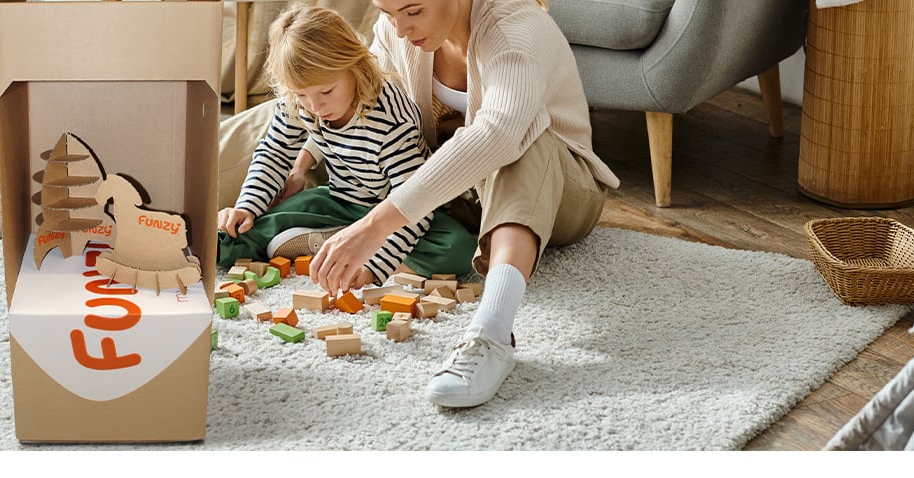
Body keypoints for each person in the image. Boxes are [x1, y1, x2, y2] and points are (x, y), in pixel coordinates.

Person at [220, 0, 620, 409]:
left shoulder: (517, 31)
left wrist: (375, 229)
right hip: (447, 187)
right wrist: (303, 163)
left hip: (555, 190)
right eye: (388, 12)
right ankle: (177, 204)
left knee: (523, 142)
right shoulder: (397, 31)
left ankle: (491, 334)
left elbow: (498, 134)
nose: (398, 28)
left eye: (412, 11)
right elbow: (351, 98)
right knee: (298, 103)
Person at [217, 5, 476, 287]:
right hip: (339, 201)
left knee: (460, 248)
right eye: (302, 95)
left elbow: (414, 202)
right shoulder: (299, 101)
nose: (316, 107)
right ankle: (338, 237)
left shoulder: (390, 118)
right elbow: (275, 152)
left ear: (356, 67)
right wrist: (246, 207)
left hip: (398, 211)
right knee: (237, 233)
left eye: (326, 91)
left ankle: (357, 247)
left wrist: (375, 269)